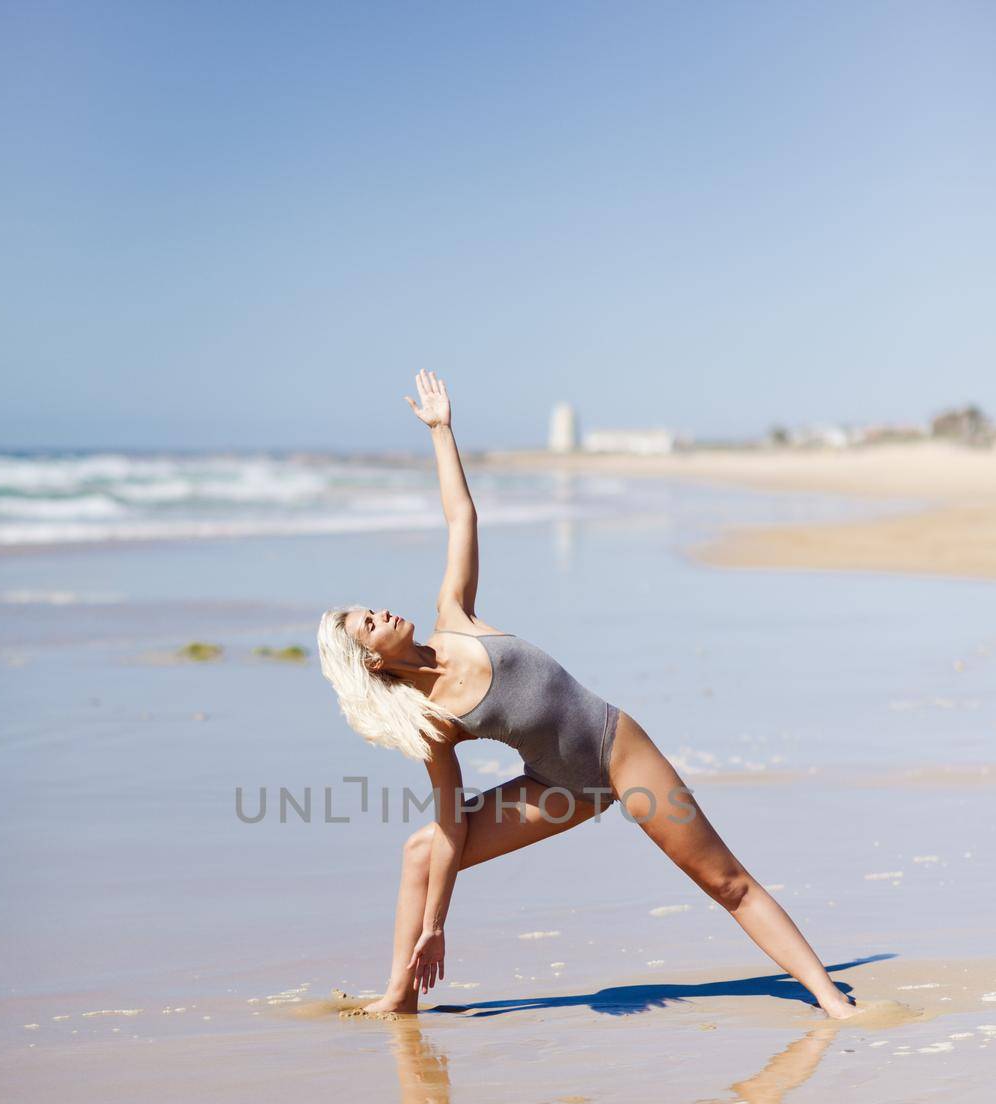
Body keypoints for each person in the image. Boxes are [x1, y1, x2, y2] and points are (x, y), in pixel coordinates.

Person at [317, 370, 856, 1020]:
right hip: (558, 792)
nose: (382, 614)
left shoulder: (454, 617)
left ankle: (831, 998)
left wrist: (442, 431)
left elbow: (461, 515)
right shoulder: (431, 721)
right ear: (371, 663)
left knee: (724, 881)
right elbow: (452, 818)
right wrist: (437, 923)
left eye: (372, 610)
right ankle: (400, 996)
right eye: (369, 625)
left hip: (619, 752)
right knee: (422, 850)